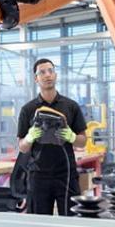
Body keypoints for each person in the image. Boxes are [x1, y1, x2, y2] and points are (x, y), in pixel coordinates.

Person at [17, 58, 87, 215]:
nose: (47, 75)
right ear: (36, 78)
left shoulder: (71, 106)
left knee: (70, 221)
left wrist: (72, 137)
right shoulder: (27, 110)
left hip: (66, 173)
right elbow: (22, 146)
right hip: (38, 175)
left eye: (50, 71)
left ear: (55, 75)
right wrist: (29, 138)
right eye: (42, 72)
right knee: (39, 225)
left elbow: (83, 142)